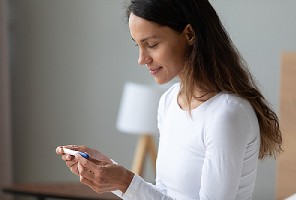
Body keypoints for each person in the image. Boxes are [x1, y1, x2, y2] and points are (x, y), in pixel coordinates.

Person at [56, 0, 283, 199]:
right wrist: (111, 173)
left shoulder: (227, 114)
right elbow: (164, 194)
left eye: (152, 45)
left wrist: (125, 182)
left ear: (189, 34)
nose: (142, 59)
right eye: (138, 45)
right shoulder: (169, 101)